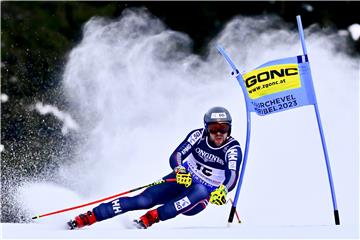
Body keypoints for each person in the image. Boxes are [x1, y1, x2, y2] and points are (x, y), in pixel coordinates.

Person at [68, 106, 242, 229]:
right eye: (214, 128)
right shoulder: (198, 135)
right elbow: (176, 156)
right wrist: (179, 169)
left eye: (223, 128)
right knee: (141, 200)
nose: (219, 133)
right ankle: (90, 216)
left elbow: (232, 175)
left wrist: (224, 190)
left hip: (198, 198)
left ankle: (152, 218)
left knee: (201, 190)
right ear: (206, 129)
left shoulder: (232, 148)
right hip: (183, 179)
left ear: (230, 128)